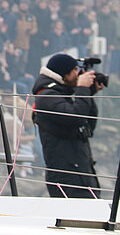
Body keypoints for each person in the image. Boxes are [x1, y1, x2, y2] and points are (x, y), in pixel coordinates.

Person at [32, 53, 103, 198]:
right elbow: (74, 118)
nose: (78, 75)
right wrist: (82, 89)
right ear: (64, 73)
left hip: (82, 172)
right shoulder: (47, 97)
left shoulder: (63, 95)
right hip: (67, 177)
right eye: (75, 70)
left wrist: (88, 93)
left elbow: (87, 125)